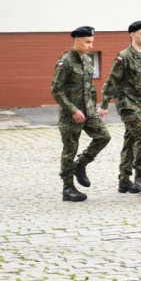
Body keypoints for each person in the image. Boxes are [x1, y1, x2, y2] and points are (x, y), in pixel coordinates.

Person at [51, 26, 112, 202]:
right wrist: (72, 110)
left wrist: (94, 106)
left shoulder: (87, 61)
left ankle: (81, 164)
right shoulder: (65, 62)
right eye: (87, 42)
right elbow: (56, 90)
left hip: (89, 111)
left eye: (92, 42)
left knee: (104, 136)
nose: (90, 46)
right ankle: (68, 188)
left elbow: (90, 86)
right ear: (76, 40)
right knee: (70, 149)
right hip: (71, 115)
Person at [100, 20, 141, 193]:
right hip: (127, 105)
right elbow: (112, 81)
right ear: (132, 35)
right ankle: (140, 176)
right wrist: (104, 104)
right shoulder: (124, 56)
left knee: (130, 140)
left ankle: (124, 179)